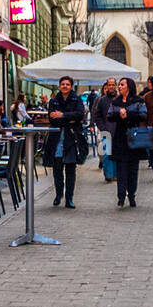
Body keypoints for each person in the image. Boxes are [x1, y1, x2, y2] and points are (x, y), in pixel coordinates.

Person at [44, 76, 87, 208]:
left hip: (71, 139)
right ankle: (58, 195)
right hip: (56, 139)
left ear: (71, 86)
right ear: (59, 86)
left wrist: (62, 115)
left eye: (67, 84)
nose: (65, 86)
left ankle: (69, 198)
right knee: (57, 170)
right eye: (62, 84)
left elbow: (80, 114)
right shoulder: (54, 100)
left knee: (70, 171)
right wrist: (70, 118)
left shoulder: (77, 99)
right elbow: (52, 119)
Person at [106, 77, 147, 209]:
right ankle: (121, 196)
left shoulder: (138, 101)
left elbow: (144, 115)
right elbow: (110, 116)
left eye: (122, 84)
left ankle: (132, 195)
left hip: (134, 138)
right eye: (119, 85)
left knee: (133, 169)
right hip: (120, 138)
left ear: (129, 86)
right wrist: (119, 115)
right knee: (121, 169)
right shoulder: (115, 101)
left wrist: (128, 114)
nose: (120, 87)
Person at [92, 77, 118, 181]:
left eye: (113, 84)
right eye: (109, 85)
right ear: (106, 86)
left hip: (118, 131)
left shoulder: (120, 98)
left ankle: (115, 174)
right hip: (106, 130)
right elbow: (97, 115)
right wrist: (102, 128)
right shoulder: (102, 100)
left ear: (115, 86)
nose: (111, 87)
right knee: (107, 154)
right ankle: (108, 174)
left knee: (116, 153)